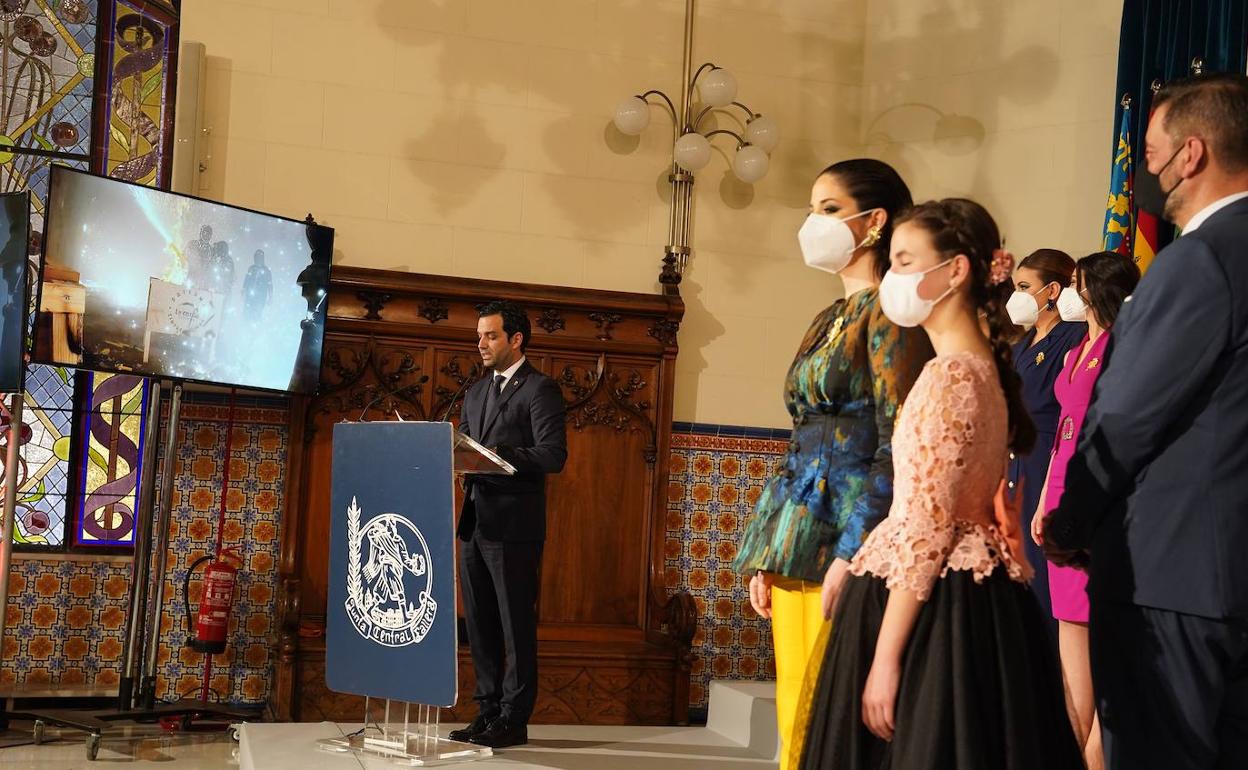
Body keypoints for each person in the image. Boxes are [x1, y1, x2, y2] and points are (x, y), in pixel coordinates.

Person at [799, 198, 1082, 770]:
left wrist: (886, 657)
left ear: (954, 271)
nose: (893, 278)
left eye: (904, 261)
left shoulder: (953, 375)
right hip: (954, 594)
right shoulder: (973, 367)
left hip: (931, 610)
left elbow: (929, 524)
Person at [1044, 73, 1248, 770]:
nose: (1149, 166)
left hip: (1173, 576)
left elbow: (1129, 411)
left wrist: (1070, 518)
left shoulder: (1198, 258)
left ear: (1192, 154)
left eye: (1154, 149)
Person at [732, 159, 933, 769]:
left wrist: (855, 547)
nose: (811, 224)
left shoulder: (891, 318)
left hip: (848, 538)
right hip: (798, 535)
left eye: (827, 209)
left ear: (873, 222)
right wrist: (769, 550)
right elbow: (803, 438)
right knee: (795, 710)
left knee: (830, 717)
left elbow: (896, 439)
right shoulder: (828, 317)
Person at [1028, 250, 1139, 770]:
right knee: (1067, 625)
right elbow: (1059, 436)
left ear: (1098, 289)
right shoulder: (1076, 350)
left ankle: (1097, 752)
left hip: (1095, 494)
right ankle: (1071, 749)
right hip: (1061, 487)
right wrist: (1047, 495)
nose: (1071, 292)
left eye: (1076, 283)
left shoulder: (1122, 345)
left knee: (1097, 628)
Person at [448, 300, 567, 749]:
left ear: (516, 339)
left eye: (490, 335)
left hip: (515, 527)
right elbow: (462, 441)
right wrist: (457, 457)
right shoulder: (476, 392)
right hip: (475, 521)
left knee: (515, 626)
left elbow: (553, 454)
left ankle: (514, 720)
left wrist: (496, 458)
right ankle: (488, 712)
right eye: (479, 335)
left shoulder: (540, 389)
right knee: (478, 623)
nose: (480, 343)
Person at [1006, 249, 1085, 618]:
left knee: (1041, 572)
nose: (1016, 296)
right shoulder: (1020, 346)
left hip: (1047, 462)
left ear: (1052, 290)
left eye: (1024, 287)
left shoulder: (1074, 337)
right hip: (1014, 466)